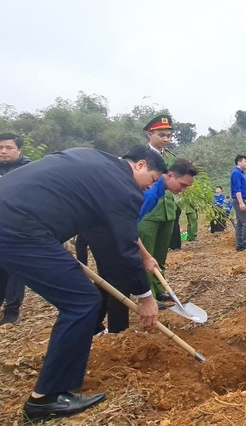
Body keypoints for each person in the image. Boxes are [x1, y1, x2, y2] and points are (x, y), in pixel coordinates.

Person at [0, 146, 164, 421]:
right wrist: (145, 296)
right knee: (83, 302)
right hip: (18, 226)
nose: (150, 188)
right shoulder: (124, 188)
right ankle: (47, 397)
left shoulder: (91, 156)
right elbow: (125, 248)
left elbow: (57, 190)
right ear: (140, 165)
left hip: (15, 215)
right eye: (154, 179)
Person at [87, 158, 198, 334]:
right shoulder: (149, 192)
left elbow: (128, 226)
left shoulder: (157, 191)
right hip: (102, 230)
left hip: (109, 228)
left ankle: (91, 325)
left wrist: (147, 256)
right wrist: (144, 258)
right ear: (169, 175)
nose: (183, 190)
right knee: (119, 280)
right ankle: (119, 331)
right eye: (182, 184)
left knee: (109, 279)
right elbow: (128, 229)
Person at [138, 114, 179, 304]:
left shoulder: (168, 156)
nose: (166, 139)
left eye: (168, 136)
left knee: (161, 253)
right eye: (162, 135)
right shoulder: (142, 156)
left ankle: (159, 288)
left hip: (167, 210)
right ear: (150, 134)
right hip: (148, 213)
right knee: (147, 255)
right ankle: (148, 296)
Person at [0, 133, 31, 325]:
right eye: (0, 148)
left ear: (19, 150)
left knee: (15, 271)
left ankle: (12, 311)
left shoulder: (28, 169)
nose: (3, 151)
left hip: (18, 227)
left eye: (8, 148)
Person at [231, 154, 246, 251]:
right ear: (239, 162)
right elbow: (237, 189)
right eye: (245, 161)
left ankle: (240, 244)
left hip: (241, 199)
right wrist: (241, 202)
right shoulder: (236, 173)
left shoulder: (240, 173)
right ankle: (245, 244)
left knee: (240, 223)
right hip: (241, 199)